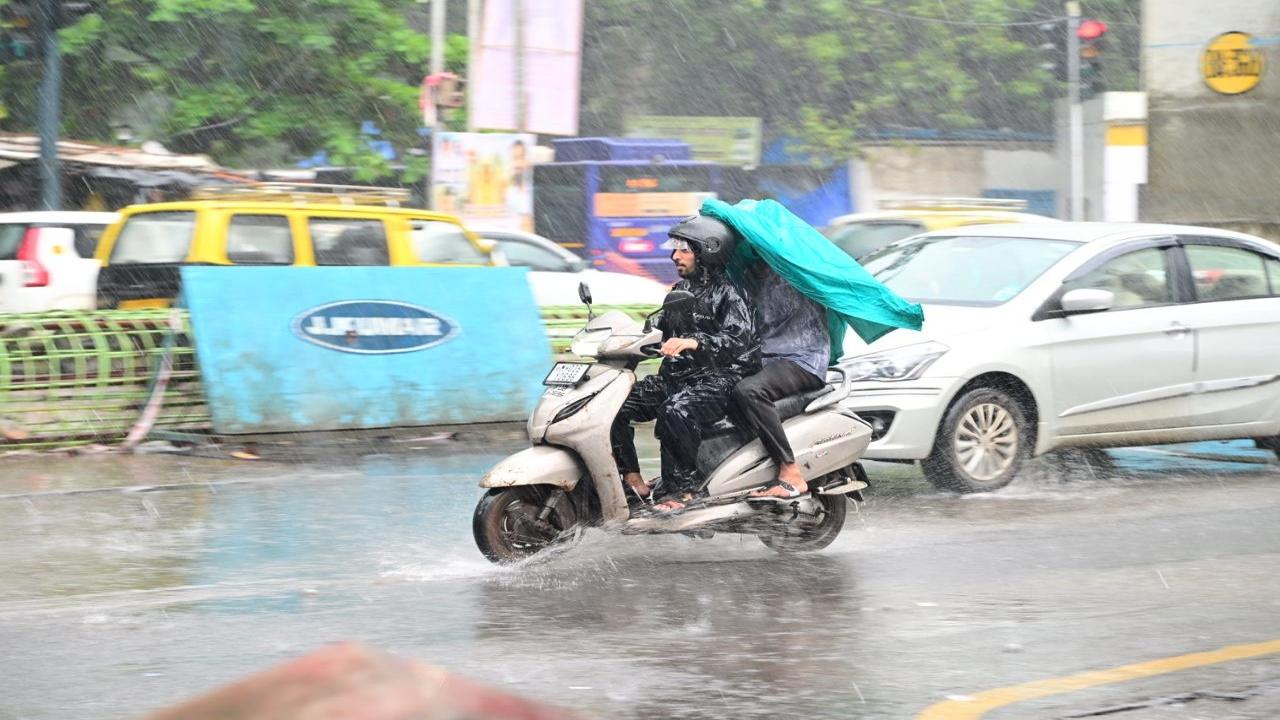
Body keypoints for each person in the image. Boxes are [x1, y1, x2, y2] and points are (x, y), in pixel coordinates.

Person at [610, 215, 758, 513]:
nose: (674, 256)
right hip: (678, 376)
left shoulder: (729, 294)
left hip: (719, 380)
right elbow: (658, 325)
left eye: (684, 250)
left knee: (675, 410)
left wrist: (695, 342)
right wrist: (626, 338)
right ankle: (633, 480)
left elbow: (738, 340)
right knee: (613, 405)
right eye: (675, 249)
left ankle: (686, 490)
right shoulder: (680, 289)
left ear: (707, 252)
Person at [734, 259, 831, 500]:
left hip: (803, 357)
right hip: (768, 357)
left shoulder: (794, 270)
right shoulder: (751, 273)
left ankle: (790, 470)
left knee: (750, 391)